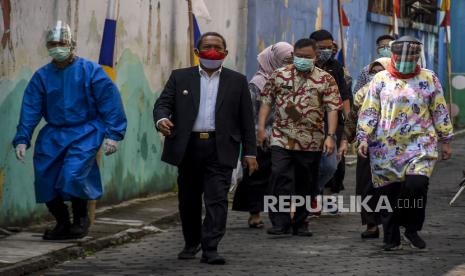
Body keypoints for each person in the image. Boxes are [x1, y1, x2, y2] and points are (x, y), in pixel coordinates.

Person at [12, 21, 127, 240]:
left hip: (85, 131)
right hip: (53, 133)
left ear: (71, 44)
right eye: (53, 43)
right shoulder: (42, 76)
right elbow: (30, 108)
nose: (57, 47)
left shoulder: (90, 71)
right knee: (45, 178)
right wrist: (22, 138)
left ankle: (80, 220)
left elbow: (109, 101)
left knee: (72, 174)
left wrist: (114, 134)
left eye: (61, 43)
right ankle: (62, 223)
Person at [153, 32, 257, 265]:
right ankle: (192, 242)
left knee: (217, 198)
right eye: (207, 46)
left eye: (218, 47)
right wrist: (161, 120)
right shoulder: (180, 78)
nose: (213, 50)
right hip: (188, 147)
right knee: (188, 199)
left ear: (225, 53)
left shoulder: (237, 81)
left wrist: (250, 152)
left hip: (221, 148)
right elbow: (163, 104)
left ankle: (211, 247)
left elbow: (247, 121)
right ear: (197, 51)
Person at [357, 36, 453, 251]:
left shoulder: (429, 78)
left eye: (413, 57)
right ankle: (391, 237)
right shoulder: (380, 79)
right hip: (385, 147)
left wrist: (445, 139)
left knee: (416, 185)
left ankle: (412, 227)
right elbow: (370, 109)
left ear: (418, 57)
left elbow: (439, 109)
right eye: (402, 57)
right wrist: (363, 137)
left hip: (420, 145)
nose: (407, 61)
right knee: (388, 194)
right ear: (394, 56)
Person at [258, 38, 342, 236]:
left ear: (315, 57)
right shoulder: (279, 75)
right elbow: (266, 102)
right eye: (299, 56)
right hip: (281, 137)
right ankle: (280, 222)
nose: (302, 60)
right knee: (279, 177)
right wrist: (261, 128)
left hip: (311, 140)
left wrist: (330, 136)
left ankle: (301, 222)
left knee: (307, 182)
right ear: (293, 55)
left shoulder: (326, 79)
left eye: (307, 57)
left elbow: (332, 109)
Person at [232, 42, 293, 228]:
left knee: (282, 177)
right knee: (256, 177)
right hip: (261, 137)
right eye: (285, 61)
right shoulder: (257, 84)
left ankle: (284, 213)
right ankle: (254, 213)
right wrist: (257, 134)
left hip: (284, 137)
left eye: (291, 61)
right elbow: (249, 112)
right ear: (274, 60)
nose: (288, 65)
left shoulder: (291, 82)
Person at [339, 57, 390, 239]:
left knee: (389, 187)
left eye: (380, 71)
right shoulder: (362, 93)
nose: (376, 75)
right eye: (372, 72)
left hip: (392, 149)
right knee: (365, 186)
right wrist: (345, 140)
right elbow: (352, 119)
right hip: (366, 146)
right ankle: (371, 224)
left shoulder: (398, 91)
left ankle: (391, 224)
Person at [309, 30, 351, 210]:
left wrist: (348, 125)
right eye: (321, 48)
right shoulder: (302, 65)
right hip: (307, 124)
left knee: (330, 166)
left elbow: (344, 96)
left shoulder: (336, 67)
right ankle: (309, 197)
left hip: (331, 124)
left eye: (329, 47)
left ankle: (315, 191)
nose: (326, 51)